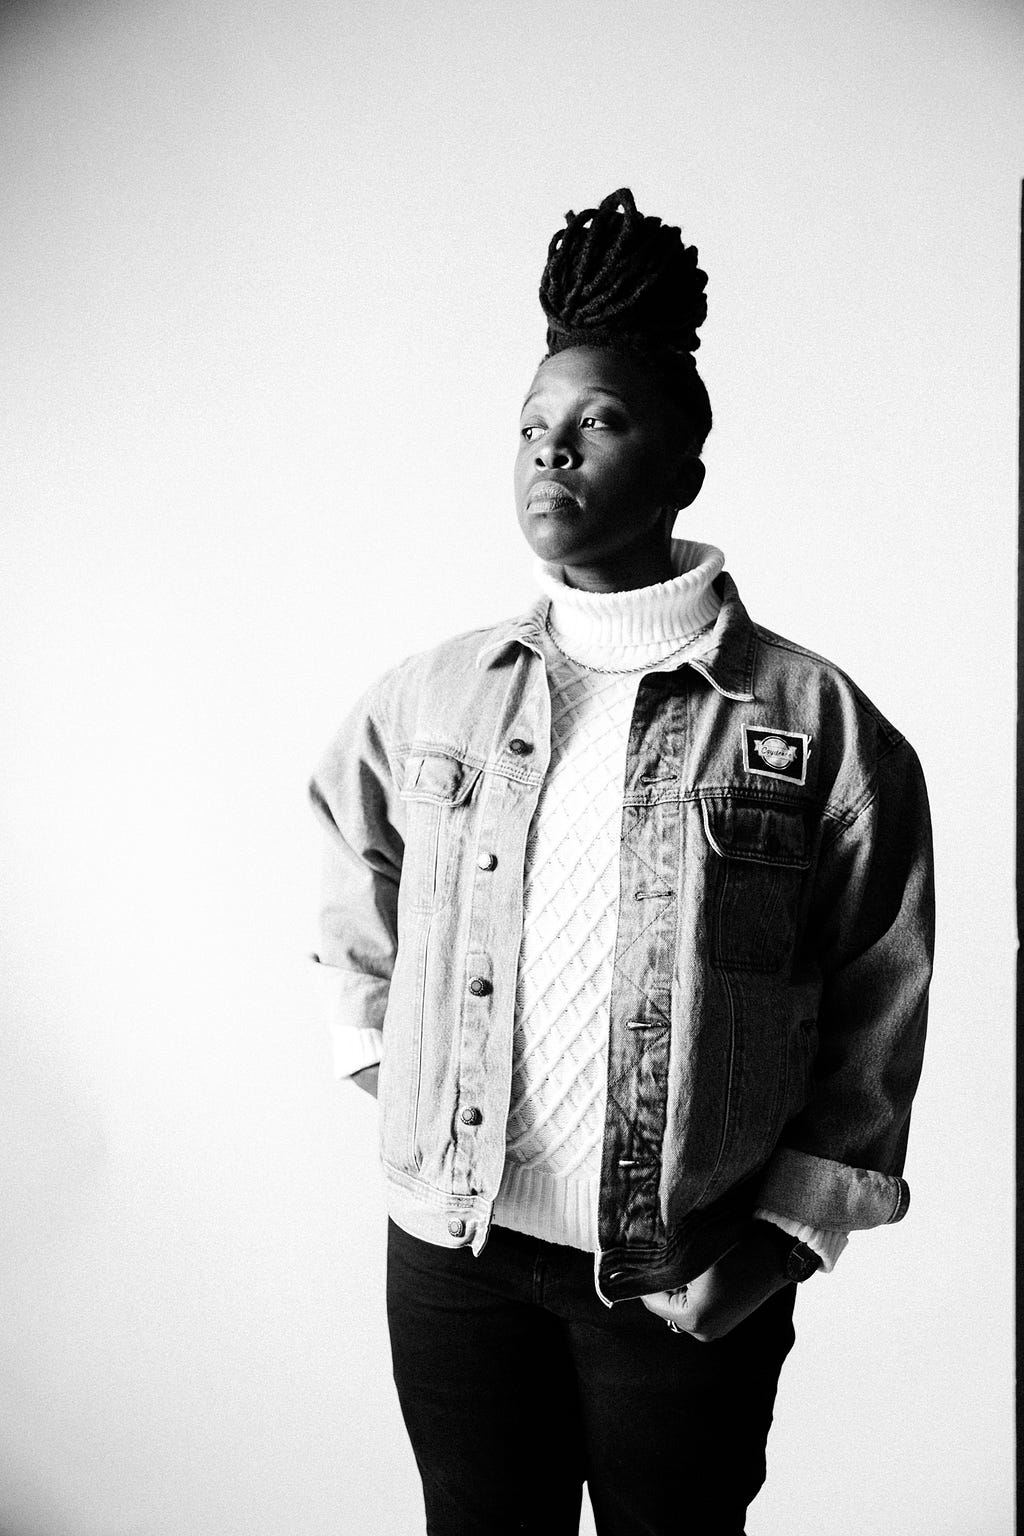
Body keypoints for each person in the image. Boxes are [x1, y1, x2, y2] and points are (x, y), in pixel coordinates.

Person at [308, 188, 934, 1536]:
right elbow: (348, 863)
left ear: (683, 465)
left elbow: (881, 999)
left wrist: (777, 1245)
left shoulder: (815, 725)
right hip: (456, 1259)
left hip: (683, 1269)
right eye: (532, 429)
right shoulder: (434, 694)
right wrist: (391, 1066)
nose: (551, 456)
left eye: (595, 424)